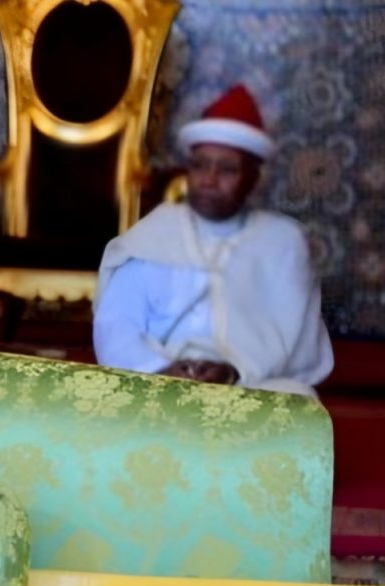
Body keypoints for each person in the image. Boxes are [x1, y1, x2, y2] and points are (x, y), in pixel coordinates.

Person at [94, 84, 333, 396]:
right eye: (200, 165)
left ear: (253, 178)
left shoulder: (282, 242)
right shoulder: (153, 234)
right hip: (156, 379)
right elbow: (117, 325)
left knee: (298, 400)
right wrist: (159, 369)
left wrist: (234, 371)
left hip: (250, 384)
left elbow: (297, 342)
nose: (209, 180)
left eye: (227, 170)